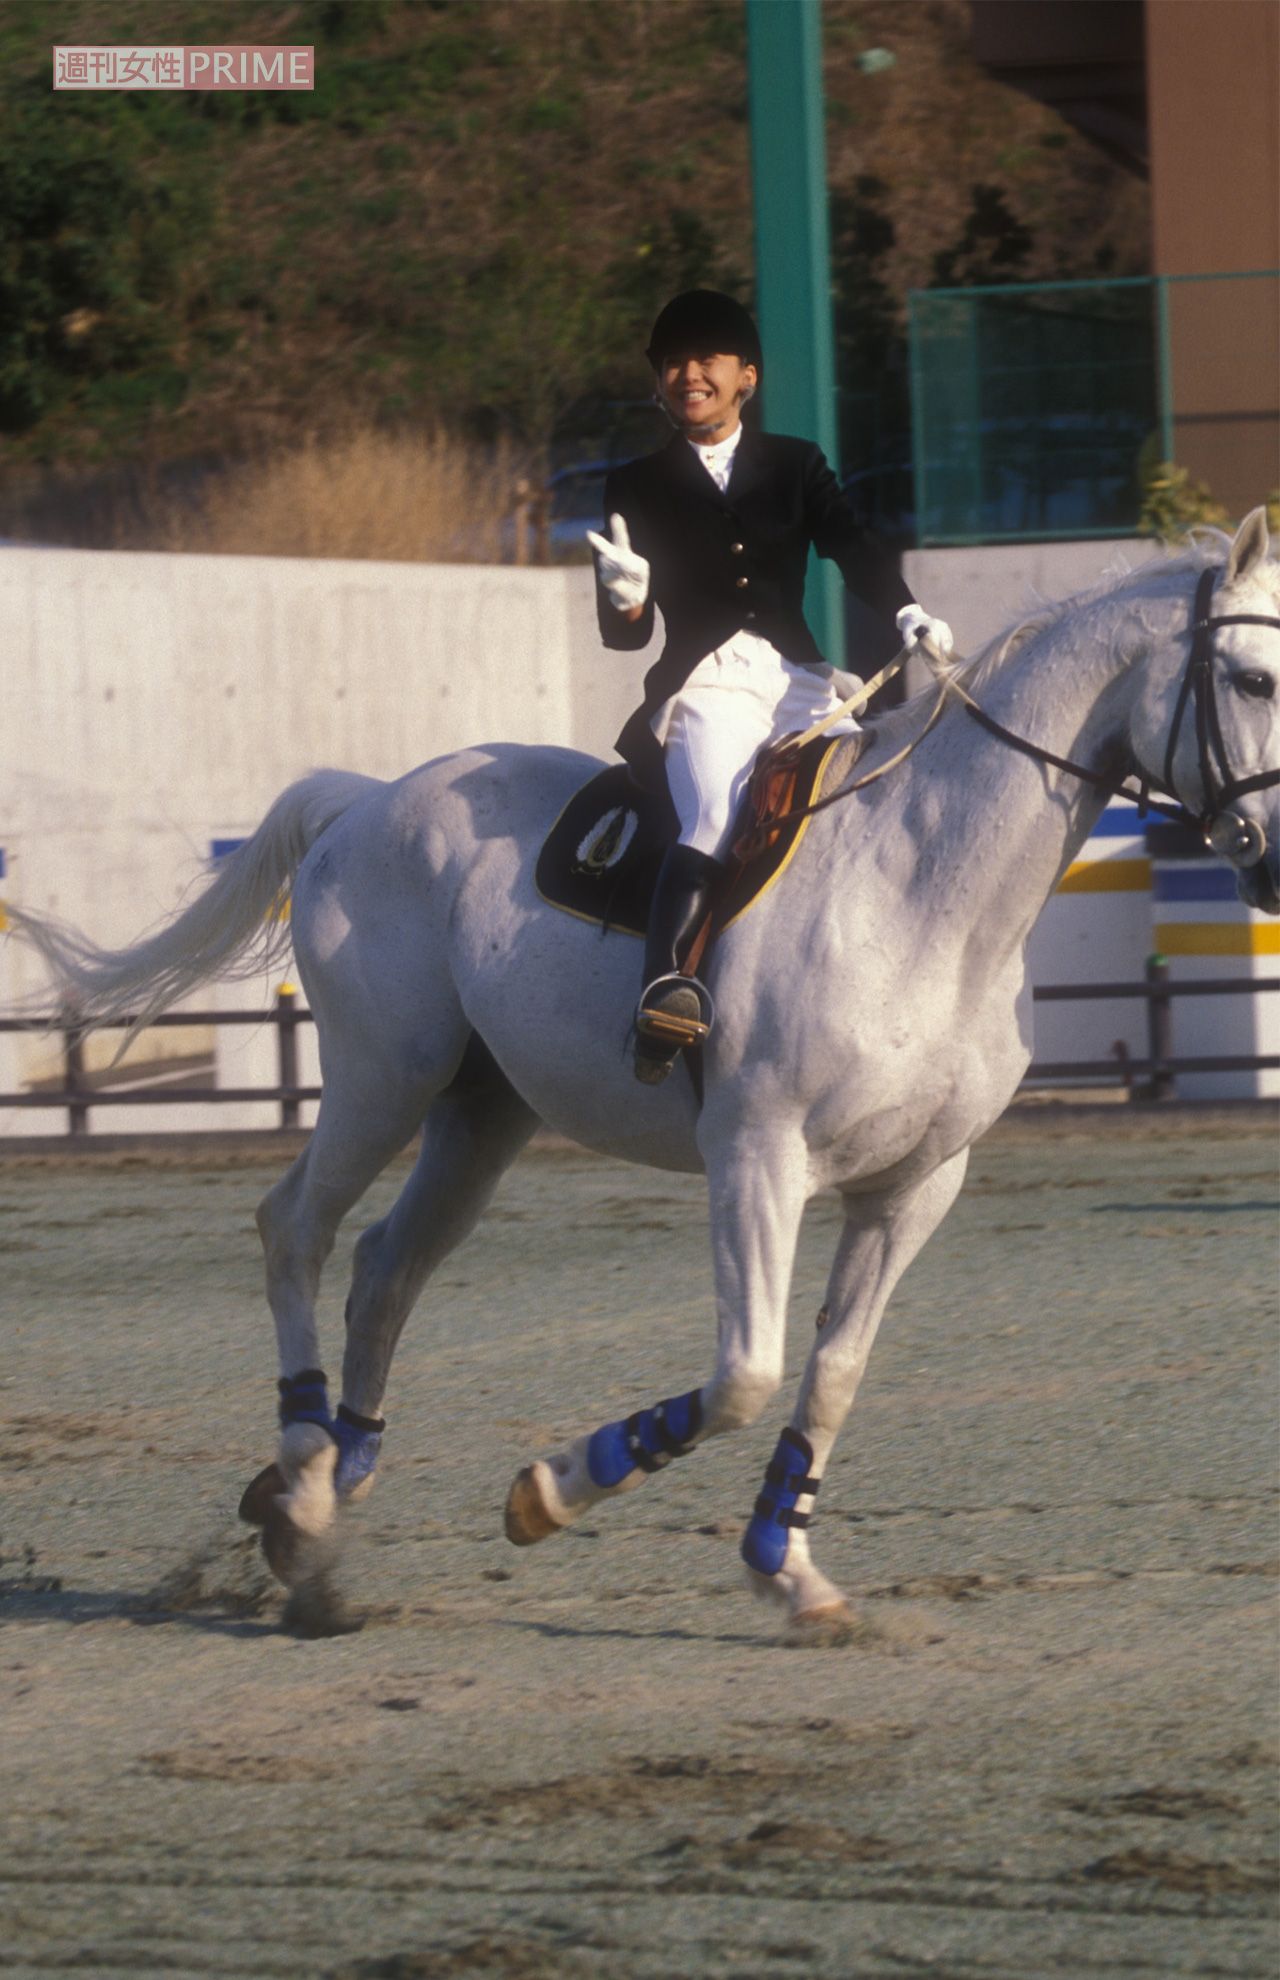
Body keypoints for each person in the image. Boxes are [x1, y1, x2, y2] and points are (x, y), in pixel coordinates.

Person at [589, 288, 952, 1084]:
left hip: (800, 678)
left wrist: (907, 610)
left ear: (745, 375)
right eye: (674, 364)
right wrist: (626, 598)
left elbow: (851, 544)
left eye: (708, 360)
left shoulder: (795, 463)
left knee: (873, 805)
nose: (690, 374)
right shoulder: (634, 484)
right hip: (707, 683)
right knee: (717, 812)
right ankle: (665, 994)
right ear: (658, 384)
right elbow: (625, 636)